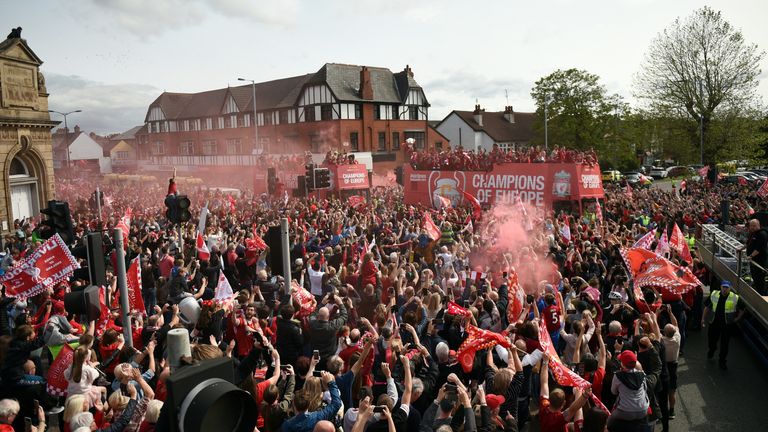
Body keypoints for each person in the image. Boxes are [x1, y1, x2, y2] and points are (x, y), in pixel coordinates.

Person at [702, 280, 745, 370]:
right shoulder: (714, 294)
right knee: (711, 340)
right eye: (723, 287)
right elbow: (707, 307)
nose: (725, 289)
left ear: (730, 288)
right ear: (720, 287)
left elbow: (742, 309)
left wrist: (737, 318)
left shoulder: (735, 297)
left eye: (727, 287)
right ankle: (712, 349)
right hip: (714, 323)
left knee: (725, 344)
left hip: (727, 325)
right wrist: (703, 319)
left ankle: (722, 361)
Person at [746, 219, 768, 295]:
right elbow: (748, 243)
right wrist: (740, 249)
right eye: (751, 226)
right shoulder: (753, 233)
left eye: (754, 226)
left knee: (760, 280)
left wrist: (751, 256)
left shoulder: (762, 234)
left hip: (759, 261)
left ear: (758, 225)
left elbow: (759, 248)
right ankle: (758, 293)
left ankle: (762, 295)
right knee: (755, 278)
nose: (752, 227)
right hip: (753, 260)